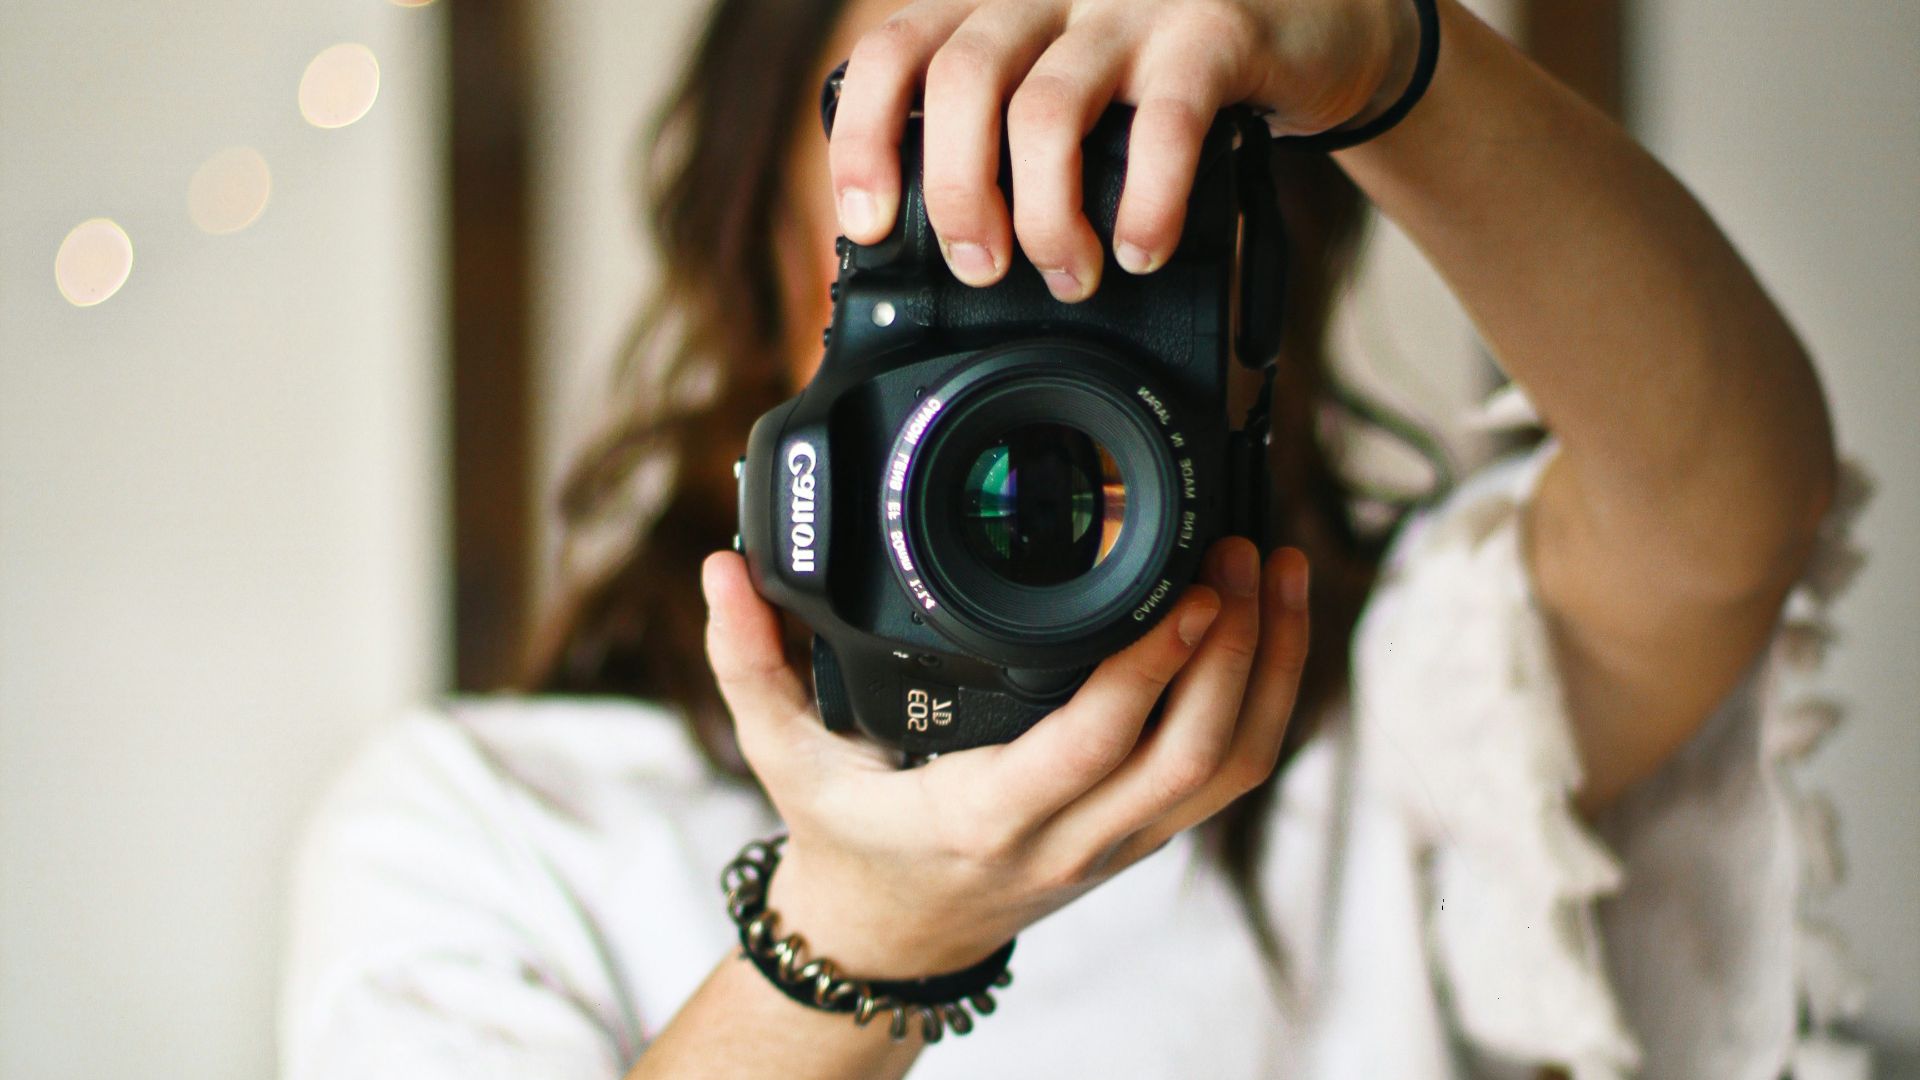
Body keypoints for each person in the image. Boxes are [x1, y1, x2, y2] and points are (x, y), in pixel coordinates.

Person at [279, 0, 1874, 1077]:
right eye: (920, 161)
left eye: (1110, 162)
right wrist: (866, 931)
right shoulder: (491, 826)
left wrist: (1392, 54)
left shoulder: (1376, 719)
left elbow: (1731, 515)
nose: (1019, 242)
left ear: (1249, 269)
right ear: (757, 243)